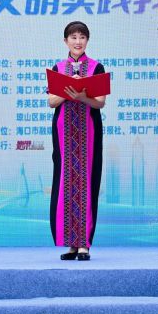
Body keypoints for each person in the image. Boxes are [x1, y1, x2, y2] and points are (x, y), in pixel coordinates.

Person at [48, 21, 106, 261]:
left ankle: (84, 244)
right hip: (64, 131)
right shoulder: (58, 68)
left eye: (82, 37)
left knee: (87, 181)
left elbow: (100, 102)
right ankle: (71, 244)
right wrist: (67, 90)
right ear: (65, 41)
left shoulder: (96, 67)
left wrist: (82, 95)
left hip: (88, 131)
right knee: (65, 181)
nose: (78, 41)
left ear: (87, 40)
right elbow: (51, 102)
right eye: (73, 37)